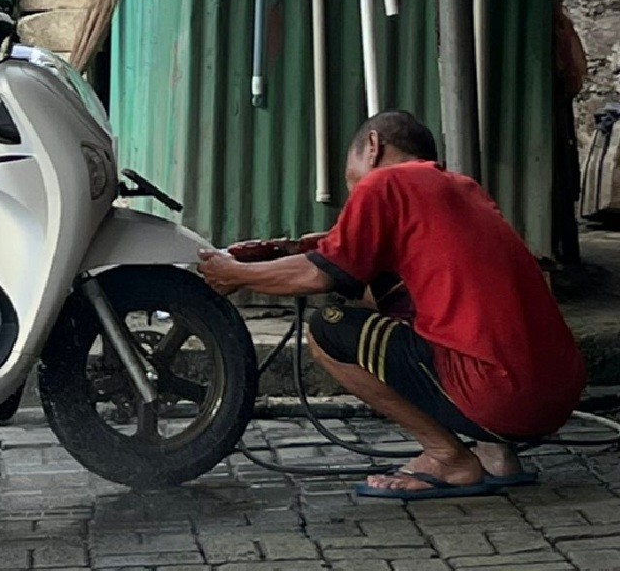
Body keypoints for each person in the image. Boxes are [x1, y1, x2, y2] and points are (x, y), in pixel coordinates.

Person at [199, 110, 586, 500]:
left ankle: (447, 458)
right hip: (555, 396)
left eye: (351, 180)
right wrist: (301, 249)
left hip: (497, 396)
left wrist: (235, 274)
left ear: (373, 146)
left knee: (329, 328)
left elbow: (320, 274)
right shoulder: (462, 188)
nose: (353, 194)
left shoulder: (384, 182)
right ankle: (498, 457)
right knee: (412, 301)